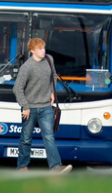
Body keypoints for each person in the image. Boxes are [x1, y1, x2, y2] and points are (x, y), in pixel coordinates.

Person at [11, 38, 72, 172]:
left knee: (49, 137)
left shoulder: (49, 59)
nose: (43, 51)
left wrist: (52, 92)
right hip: (30, 108)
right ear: (32, 50)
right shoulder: (27, 67)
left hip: (46, 107)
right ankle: (22, 166)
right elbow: (17, 88)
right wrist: (25, 107)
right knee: (26, 139)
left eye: (44, 48)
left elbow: (54, 75)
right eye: (40, 49)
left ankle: (56, 167)